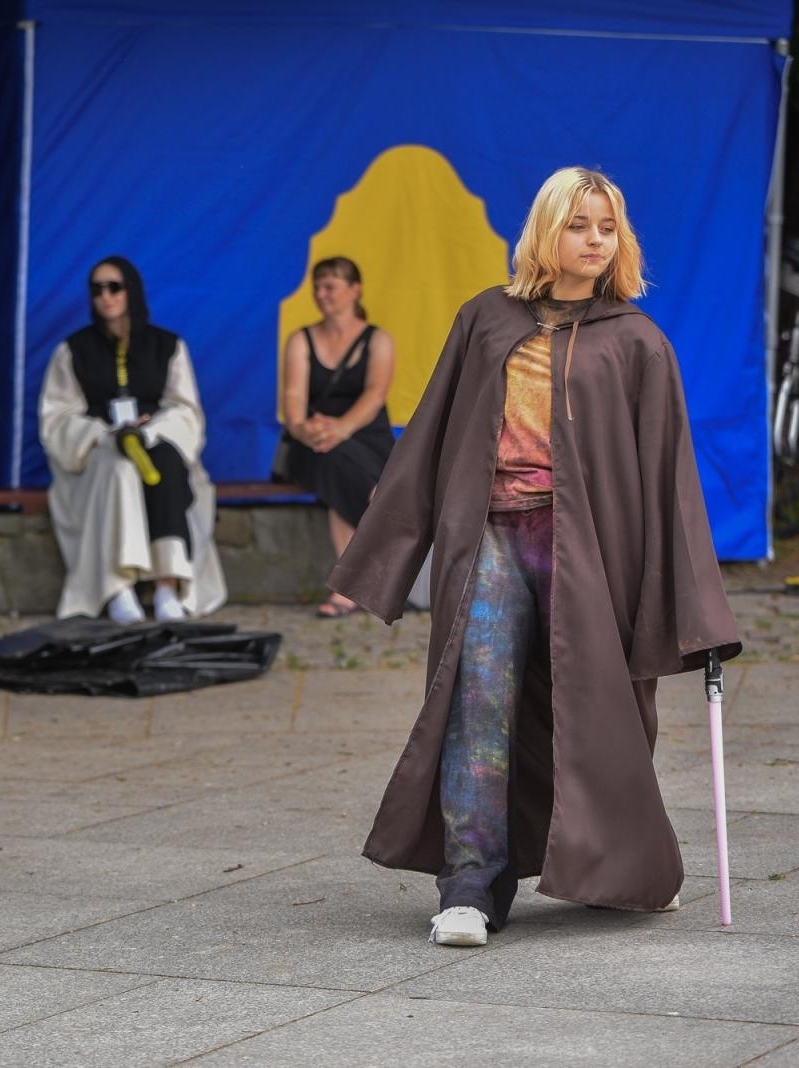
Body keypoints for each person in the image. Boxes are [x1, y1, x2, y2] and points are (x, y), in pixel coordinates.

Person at [328, 167, 740, 947]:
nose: (595, 240)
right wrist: (382, 556)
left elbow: (670, 479)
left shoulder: (638, 342)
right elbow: (430, 437)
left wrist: (697, 609)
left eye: (607, 227)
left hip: (593, 549)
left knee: (601, 710)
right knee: (475, 702)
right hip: (490, 537)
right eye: (579, 224)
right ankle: (469, 887)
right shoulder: (485, 319)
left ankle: (618, 868)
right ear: (546, 231)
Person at [38, 256, 227, 623]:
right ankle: (118, 587)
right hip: (99, 452)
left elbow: (185, 409)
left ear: (131, 291)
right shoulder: (73, 350)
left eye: (114, 287)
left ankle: (167, 585)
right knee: (119, 470)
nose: (106, 297)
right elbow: (58, 416)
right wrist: (105, 434)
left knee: (167, 462)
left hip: (156, 441)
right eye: (97, 290)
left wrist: (149, 431)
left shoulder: (167, 346)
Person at [277, 257, 396, 617]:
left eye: (330, 286)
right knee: (335, 463)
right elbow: (293, 400)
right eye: (317, 286)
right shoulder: (301, 340)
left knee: (340, 468)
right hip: (313, 443)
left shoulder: (378, 339)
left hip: (366, 438)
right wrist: (304, 430)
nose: (321, 294)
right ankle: (373, 572)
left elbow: (375, 394)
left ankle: (348, 587)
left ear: (355, 290)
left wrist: (341, 429)